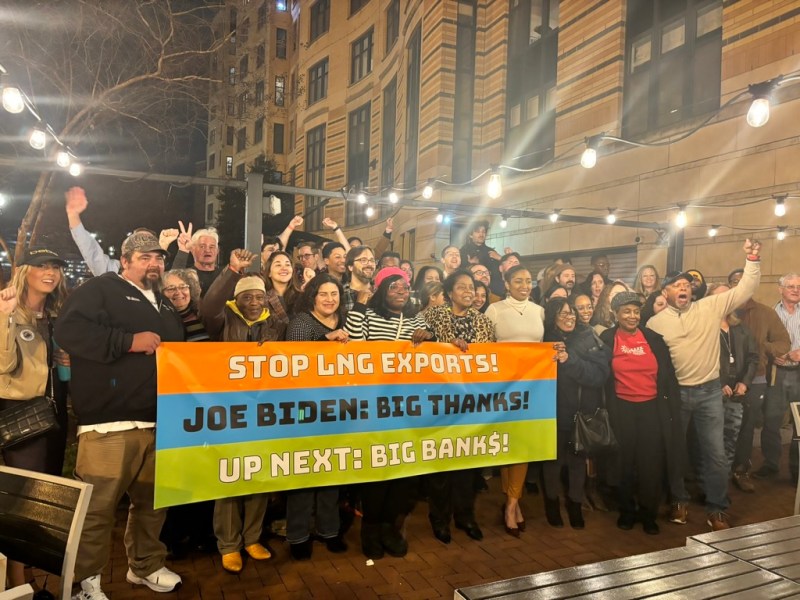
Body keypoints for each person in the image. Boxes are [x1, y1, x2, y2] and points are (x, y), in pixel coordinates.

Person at [55, 231, 185, 599]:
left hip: (160, 421)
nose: (154, 264)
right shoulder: (102, 289)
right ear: (124, 261)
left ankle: (144, 566)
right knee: (97, 510)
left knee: (152, 503)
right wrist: (127, 342)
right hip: (109, 424)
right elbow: (69, 329)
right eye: (144, 257)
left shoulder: (164, 302)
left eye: (158, 258)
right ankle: (84, 583)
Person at [647, 239, 762, 531]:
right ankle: (679, 501)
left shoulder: (709, 307)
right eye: (676, 285)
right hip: (676, 396)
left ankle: (718, 508)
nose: (683, 287)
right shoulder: (655, 324)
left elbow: (745, 289)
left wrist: (752, 258)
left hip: (710, 392)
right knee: (675, 451)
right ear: (665, 292)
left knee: (716, 453)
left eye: (686, 284)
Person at [201, 251, 284, 573]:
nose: (254, 302)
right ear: (237, 298)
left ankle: (252, 538)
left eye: (259, 296)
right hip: (229, 411)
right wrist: (232, 271)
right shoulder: (223, 318)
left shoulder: (274, 324)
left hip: (263, 412)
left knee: (258, 475)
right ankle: (229, 545)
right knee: (230, 477)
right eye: (247, 296)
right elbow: (208, 306)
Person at [345, 267, 433, 559]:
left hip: (407, 409)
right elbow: (355, 345)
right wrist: (359, 304)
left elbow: (431, 357)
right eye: (394, 286)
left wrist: (430, 337)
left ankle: (390, 529)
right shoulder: (369, 316)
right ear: (382, 290)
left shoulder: (417, 318)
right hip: (374, 408)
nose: (401, 291)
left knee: (401, 473)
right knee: (375, 472)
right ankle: (369, 529)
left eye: (405, 287)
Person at [0, 248, 69, 590]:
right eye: (42, 265)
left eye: (55, 267)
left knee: (44, 496)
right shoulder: (10, 310)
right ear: (25, 270)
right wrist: (6, 318)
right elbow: (2, 366)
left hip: (54, 414)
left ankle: (28, 579)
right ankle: (16, 583)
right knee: (23, 500)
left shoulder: (53, 315)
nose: (50, 272)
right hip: (23, 417)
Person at [600, 291, 681, 535]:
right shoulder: (606, 338)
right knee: (624, 462)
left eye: (636, 311)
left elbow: (668, 376)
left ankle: (648, 513)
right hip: (621, 408)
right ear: (616, 314)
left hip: (651, 408)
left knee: (650, 463)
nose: (632, 316)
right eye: (626, 311)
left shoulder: (654, 339)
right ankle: (626, 510)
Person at [423, 270, 495, 543]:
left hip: (472, 401)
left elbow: (492, 359)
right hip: (440, 401)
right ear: (450, 292)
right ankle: (439, 519)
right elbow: (420, 351)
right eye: (462, 287)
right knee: (441, 466)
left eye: (472, 287)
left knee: (467, 463)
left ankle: (465, 516)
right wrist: (443, 346)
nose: (468, 291)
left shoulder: (484, 322)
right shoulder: (433, 315)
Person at [284, 274, 350, 560]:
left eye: (334, 294)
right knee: (302, 470)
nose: (329, 299)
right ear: (312, 296)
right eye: (323, 293)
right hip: (304, 408)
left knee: (331, 468)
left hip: (337, 407)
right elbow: (295, 360)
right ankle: (298, 535)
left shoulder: (345, 322)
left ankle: (329, 530)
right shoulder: (301, 322)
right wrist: (325, 339)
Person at [484, 265, 545, 537]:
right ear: (506, 284)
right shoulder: (494, 310)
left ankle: (511, 504)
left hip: (532, 387)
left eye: (528, 280)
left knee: (523, 446)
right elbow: (485, 348)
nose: (524, 285)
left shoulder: (539, 310)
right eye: (518, 280)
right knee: (508, 445)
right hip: (502, 388)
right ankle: (513, 502)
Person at [542, 298, 610, 529]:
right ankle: (551, 504)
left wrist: (569, 360)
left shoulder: (589, 338)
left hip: (581, 413)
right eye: (562, 314)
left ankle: (575, 504)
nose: (569, 318)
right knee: (552, 461)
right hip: (551, 412)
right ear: (553, 317)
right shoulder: (543, 341)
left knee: (577, 461)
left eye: (572, 313)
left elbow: (599, 375)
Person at [733, 289, 790, 491]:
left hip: (755, 378)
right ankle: (714, 473)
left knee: (747, 427)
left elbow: (784, 342)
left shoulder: (765, 313)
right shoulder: (720, 309)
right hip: (721, 378)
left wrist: (763, 347)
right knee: (717, 428)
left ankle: (741, 471)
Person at [706, 284, 758, 483]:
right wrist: (718, 382)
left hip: (737, 393)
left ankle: (722, 481)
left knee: (730, 438)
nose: (724, 300)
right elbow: (699, 360)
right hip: (711, 392)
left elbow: (754, 357)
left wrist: (745, 383)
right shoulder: (704, 327)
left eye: (728, 296)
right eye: (719, 296)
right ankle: (707, 482)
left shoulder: (741, 328)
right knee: (709, 441)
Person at [758, 272, 800, 483]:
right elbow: (759, 341)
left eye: (798, 286)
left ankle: (797, 469)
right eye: (790, 286)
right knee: (772, 421)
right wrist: (774, 354)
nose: (795, 290)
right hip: (776, 374)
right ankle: (770, 464)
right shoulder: (769, 313)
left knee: (799, 425)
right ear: (780, 289)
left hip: (799, 373)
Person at [171, 224, 221, 296]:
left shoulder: (224, 276)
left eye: (212, 247)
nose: (207, 250)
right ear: (193, 249)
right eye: (202, 246)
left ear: (217, 250)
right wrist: (183, 250)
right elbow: (172, 283)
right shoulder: (187, 275)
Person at [161, 269, 208, 342]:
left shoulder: (204, 315)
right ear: (161, 294)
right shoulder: (158, 321)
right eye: (171, 289)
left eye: (183, 287)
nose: (178, 292)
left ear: (190, 290)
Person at [262, 250, 299, 326]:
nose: (284, 268)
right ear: (269, 272)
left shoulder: (301, 296)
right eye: (278, 265)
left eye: (287, 265)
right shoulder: (262, 298)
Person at [342, 246, 376, 312]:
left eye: (372, 260)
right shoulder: (341, 293)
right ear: (350, 267)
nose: (369, 264)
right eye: (363, 260)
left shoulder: (380, 291)